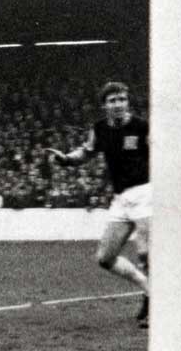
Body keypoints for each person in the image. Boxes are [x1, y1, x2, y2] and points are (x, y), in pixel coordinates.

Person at [45, 81, 150, 327]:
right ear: (104, 106)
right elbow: (87, 152)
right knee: (105, 257)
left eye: (122, 99)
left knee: (146, 252)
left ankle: (158, 306)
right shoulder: (100, 129)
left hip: (147, 193)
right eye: (113, 100)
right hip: (121, 198)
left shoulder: (142, 127)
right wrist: (66, 160)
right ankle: (148, 288)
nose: (118, 104)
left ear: (128, 102)